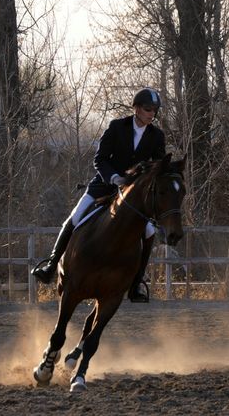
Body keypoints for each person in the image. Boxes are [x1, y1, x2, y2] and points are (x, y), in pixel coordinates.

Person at [31, 87, 166, 302]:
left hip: (133, 195)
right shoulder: (116, 127)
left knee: (149, 231)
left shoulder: (157, 136)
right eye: (148, 109)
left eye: (155, 110)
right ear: (137, 108)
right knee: (75, 217)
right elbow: (100, 159)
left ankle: (136, 283)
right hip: (105, 186)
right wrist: (114, 178)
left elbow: (157, 167)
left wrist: (140, 181)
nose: (152, 114)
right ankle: (51, 264)